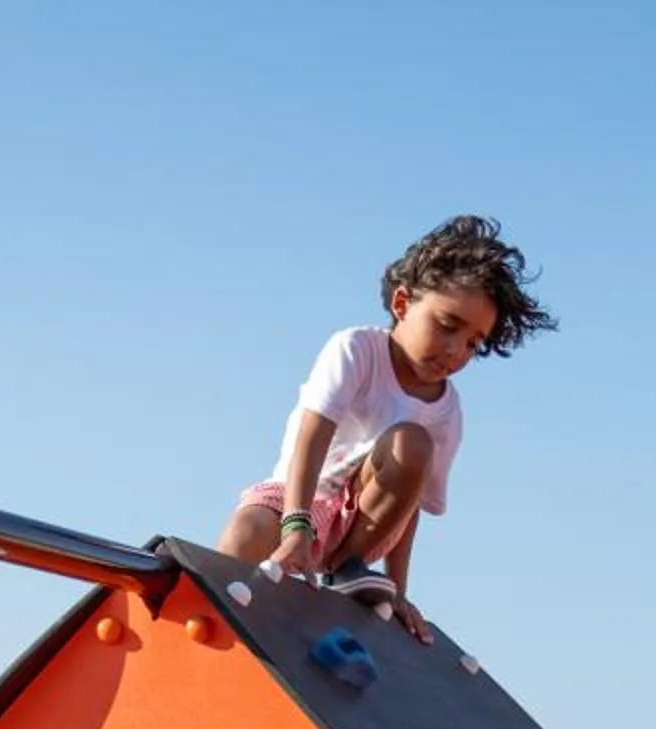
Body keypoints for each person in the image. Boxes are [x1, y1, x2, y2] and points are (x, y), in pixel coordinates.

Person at [218, 216, 557, 645]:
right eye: (447, 325)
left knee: (413, 444)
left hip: (359, 530)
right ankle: (208, 619)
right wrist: (296, 525)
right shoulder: (357, 349)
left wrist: (398, 589)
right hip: (299, 499)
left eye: (473, 343)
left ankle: (347, 572)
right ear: (402, 304)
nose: (456, 350)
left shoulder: (446, 410)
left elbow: (410, 504)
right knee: (245, 532)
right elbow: (312, 435)